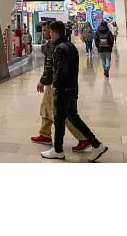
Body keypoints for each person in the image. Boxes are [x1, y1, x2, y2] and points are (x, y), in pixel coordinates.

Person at [41, 21, 108, 161]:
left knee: (59, 120)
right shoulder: (71, 46)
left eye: (51, 32)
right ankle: (96, 145)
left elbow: (61, 70)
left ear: (56, 32)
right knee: (73, 117)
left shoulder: (59, 48)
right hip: (72, 89)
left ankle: (58, 150)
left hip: (63, 90)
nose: (50, 35)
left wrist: (55, 85)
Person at [31, 22, 91, 152]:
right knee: (46, 108)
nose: (45, 33)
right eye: (44, 31)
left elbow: (52, 67)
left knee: (64, 115)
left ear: (55, 32)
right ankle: (45, 134)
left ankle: (83, 138)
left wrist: (45, 81)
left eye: (47, 31)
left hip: (56, 86)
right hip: (52, 84)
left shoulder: (56, 46)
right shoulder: (51, 45)